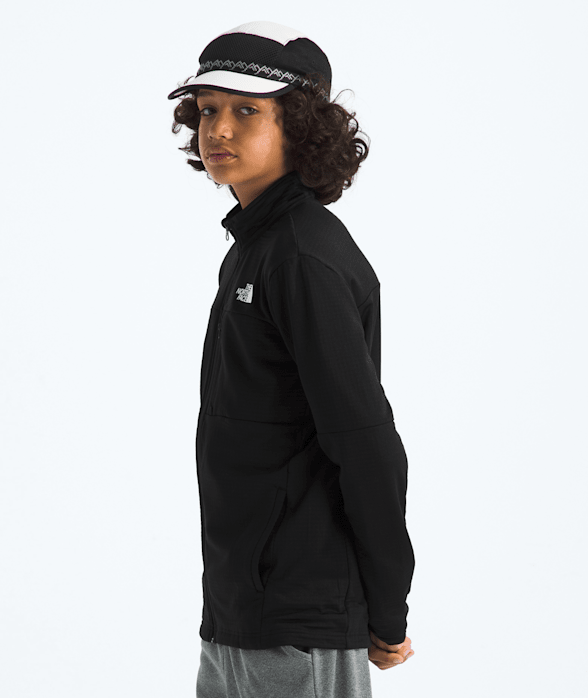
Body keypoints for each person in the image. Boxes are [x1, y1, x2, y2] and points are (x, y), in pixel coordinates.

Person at [168, 20, 415, 698]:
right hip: (239, 613)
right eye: (208, 109)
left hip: (296, 621)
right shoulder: (256, 248)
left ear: (300, 127)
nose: (218, 129)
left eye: (246, 111)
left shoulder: (302, 256)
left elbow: (366, 444)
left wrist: (387, 610)